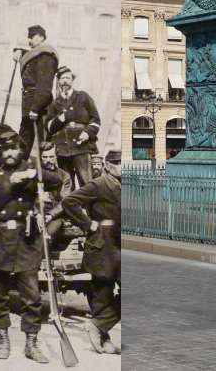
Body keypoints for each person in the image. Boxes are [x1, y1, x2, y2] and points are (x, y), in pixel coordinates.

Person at [0, 131, 63, 363]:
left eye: (13, 149)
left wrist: (32, 174)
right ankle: (3, 339)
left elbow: (58, 179)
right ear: (1, 153)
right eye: (5, 150)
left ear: (20, 150)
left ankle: (31, 343)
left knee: (32, 297)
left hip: (26, 240)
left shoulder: (31, 173)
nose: (9, 153)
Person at [61, 149, 121, 355]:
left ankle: (99, 325)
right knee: (102, 295)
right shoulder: (99, 184)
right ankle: (103, 338)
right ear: (108, 165)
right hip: (102, 245)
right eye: (118, 163)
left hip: (121, 245)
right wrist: (88, 224)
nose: (123, 166)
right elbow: (69, 201)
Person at [46, 66, 101, 188]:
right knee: (66, 184)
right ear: (59, 81)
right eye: (62, 78)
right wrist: (59, 120)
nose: (65, 81)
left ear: (72, 80)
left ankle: (89, 207)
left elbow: (96, 120)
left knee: (87, 182)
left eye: (68, 78)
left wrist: (87, 132)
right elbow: (49, 127)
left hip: (82, 145)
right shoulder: (55, 103)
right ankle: (69, 207)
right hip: (63, 149)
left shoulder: (83, 97)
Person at [18, 25, 59, 159]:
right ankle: (19, 170)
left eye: (32, 37)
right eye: (28, 37)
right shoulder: (36, 54)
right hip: (29, 105)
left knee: (44, 145)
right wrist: (18, 50)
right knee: (23, 142)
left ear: (41, 37)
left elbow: (45, 85)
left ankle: (46, 176)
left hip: (40, 107)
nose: (29, 41)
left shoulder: (46, 55)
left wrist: (36, 108)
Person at [38, 141, 71, 238]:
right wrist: (37, 214)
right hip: (37, 212)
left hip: (55, 214)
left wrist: (51, 215)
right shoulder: (35, 173)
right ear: (40, 157)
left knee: (47, 236)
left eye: (51, 157)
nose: (48, 160)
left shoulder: (64, 175)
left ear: (56, 156)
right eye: (45, 157)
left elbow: (65, 201)